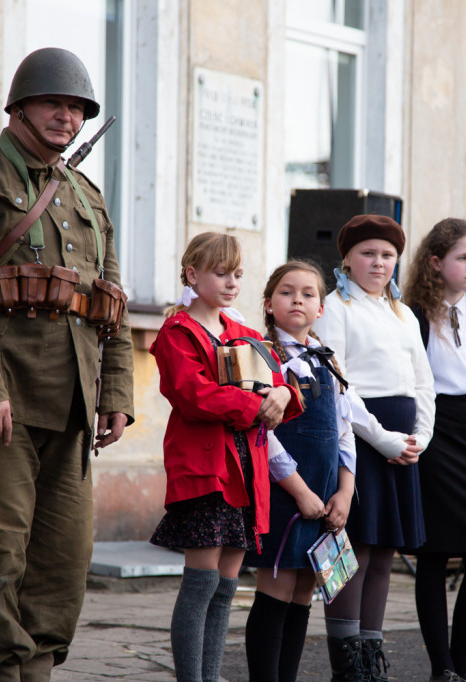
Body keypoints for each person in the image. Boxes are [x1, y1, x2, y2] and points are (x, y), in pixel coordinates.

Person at [0, 48, 134, 681]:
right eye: (53, 103)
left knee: (60, 572)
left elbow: (110, 303)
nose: (65, 116)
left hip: (71, 408)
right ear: (19, 107)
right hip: (3, 409)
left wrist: (116, 392)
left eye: (76, 108)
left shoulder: (86, 197)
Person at [150, 232, 302, 682]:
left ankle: (211, 675)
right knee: (200, 584)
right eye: (221, 273)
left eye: (237, 274)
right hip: (206, 469)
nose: (232, 282)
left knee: (227, 584)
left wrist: (281, 392)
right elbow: (193, 395)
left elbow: (284, 386)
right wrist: (258, 404)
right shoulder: (178, 331)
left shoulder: (247, 333)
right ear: (192, 274)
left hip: (247, 470)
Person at [312, 214, 435, 681]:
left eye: (387, 255)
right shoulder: (335, 308)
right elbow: (339, 383)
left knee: (384, 551)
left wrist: (419, 438)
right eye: (368, 253)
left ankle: (371, 654)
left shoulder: (402, 312)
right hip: (361, 438)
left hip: (403, 442)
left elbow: (424, 382)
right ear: (347, 257)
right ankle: (347, 662)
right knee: (356, 549)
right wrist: (382, 438)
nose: (378, 263)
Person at [244, 260, 357, 682]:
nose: (298, 300)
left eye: (309, 294)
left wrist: (343, 492)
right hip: (285, 493)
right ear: (269, 304)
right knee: (277, 585)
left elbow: (345, 434)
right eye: (287, 292)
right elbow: (263, 433)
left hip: (326, 495)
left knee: (305, 590)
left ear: (321, 308)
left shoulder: (328, 363)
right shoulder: (264, 356)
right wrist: (299, 490)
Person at [402, 218, 466, 682]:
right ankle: (442, 667)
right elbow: (413, 386)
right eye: (462, 257)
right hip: (437, 434)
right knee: (436, 553)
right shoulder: (416, 314)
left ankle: (463, 663)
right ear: (436, 262)